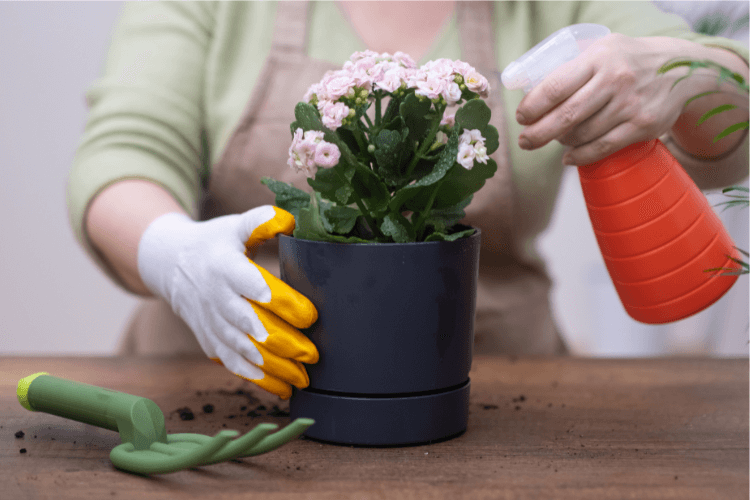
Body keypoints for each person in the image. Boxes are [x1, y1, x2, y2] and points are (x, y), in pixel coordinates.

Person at [68, 1, 749, 400]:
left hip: (499, 395)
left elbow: (729, 117)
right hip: (225, 377)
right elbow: (123, 154)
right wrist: (171, 253)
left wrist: (683, 72)